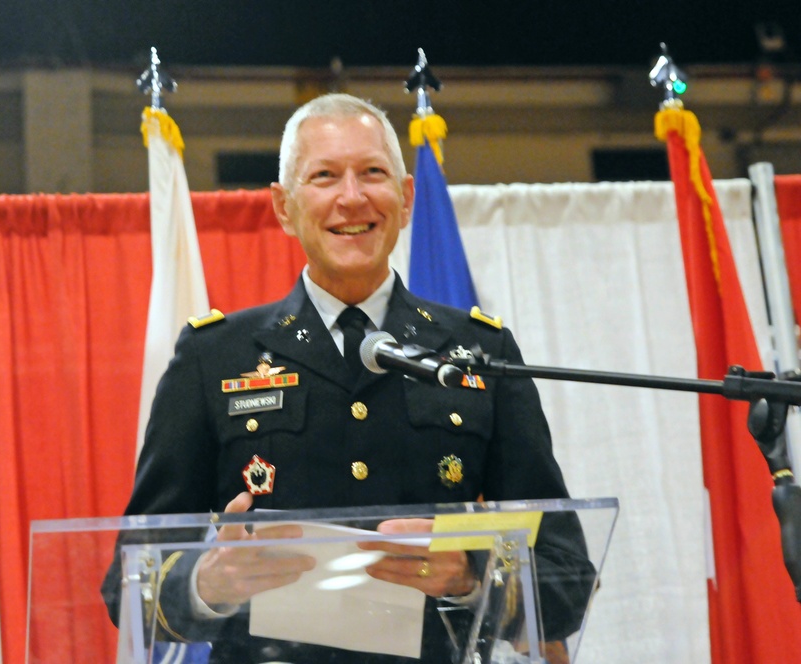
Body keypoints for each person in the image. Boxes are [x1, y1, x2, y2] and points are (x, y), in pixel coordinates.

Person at [103, 93, 593, 663]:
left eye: (373, 173)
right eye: (325, 176)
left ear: (406, 198)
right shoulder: (215, 356)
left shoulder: (477, 351)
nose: (352, 197)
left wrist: (473, 573)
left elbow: (568, 579)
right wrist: (205, 583)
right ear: (284, 207)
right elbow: (126, 586)